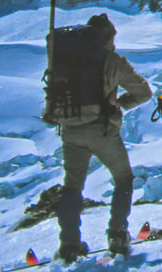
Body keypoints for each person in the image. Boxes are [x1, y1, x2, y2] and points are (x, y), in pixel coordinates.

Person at [51, 13, 153, 262]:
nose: (114, 44)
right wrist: (120, 103)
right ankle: (117, 235)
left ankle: (69, 245)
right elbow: (144, 92)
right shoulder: (112, 61)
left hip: (71, 132)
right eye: (112, 39)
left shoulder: (66, 60)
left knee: (72, 187)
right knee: (123, 178)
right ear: (106, 39)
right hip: (103, 131)